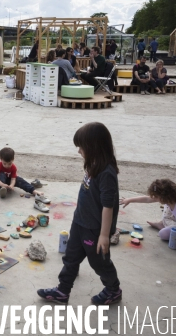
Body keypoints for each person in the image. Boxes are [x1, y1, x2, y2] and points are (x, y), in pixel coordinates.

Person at [37, 122, 122, 306]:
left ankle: (113, 290)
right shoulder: (94, 164)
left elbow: (108, 207)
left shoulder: (107, 173)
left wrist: (104, 235)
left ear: (94, 147)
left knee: (99, 262)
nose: (79, 152)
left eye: (81, 147)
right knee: (71, 256)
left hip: (95, 229)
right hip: (80, 222)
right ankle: (62, 291)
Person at [120, 179, 176, 250]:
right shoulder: (171, 199)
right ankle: (162, 223)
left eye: (156, 196)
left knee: (163, 234)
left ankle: (163, 226)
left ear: (164, 196)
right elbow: (147, 199)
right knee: (167, 208)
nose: (154, 198)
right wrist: (129, 200)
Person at [0, 147, 50, 211]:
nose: (7, 166)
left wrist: (11, 185)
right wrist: (2, 184)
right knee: (2, 174)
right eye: (4, 163)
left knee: (19, 179)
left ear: (13, 159)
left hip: (8, 181)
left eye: (9, 163)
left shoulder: (13, 167)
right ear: (1, 159)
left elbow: (13, 179)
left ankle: (34, 191)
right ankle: (3, 190)